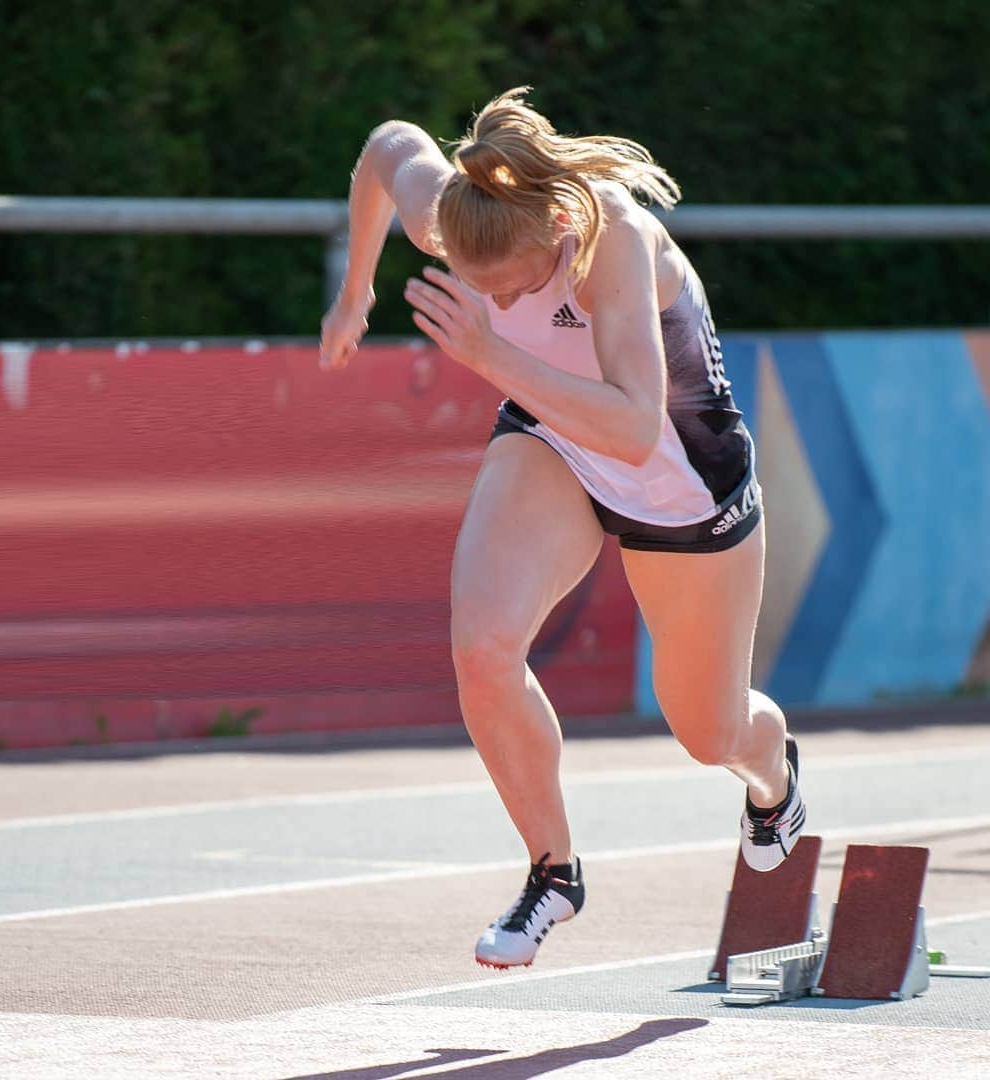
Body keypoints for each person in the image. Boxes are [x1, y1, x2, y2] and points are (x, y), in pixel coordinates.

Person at [319, 87, 805, 970]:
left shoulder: (610, 239)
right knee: (483, 645)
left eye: (509, 290)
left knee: (710, 733)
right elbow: (389, 145)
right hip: (554, 438)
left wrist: (493, 353)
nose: (490, 299)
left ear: (559, 242)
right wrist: (354, 292)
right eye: (475, 286)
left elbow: (630, 423)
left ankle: (774, 781)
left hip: (680, 486)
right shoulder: (465, 214)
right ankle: (553, 870)